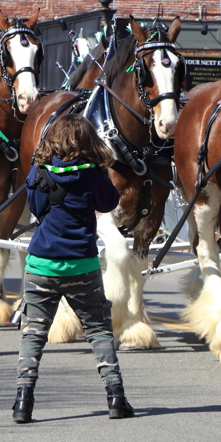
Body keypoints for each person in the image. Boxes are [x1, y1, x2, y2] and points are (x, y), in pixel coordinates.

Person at [12, 114, 132, 424]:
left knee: (34, 334)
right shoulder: (93, 176)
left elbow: (36, 208)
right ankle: (116, 397)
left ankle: (23, 401)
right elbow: (109, 203)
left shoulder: (40, 170)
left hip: (42, 264)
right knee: (98, 330)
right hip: (82, 263)